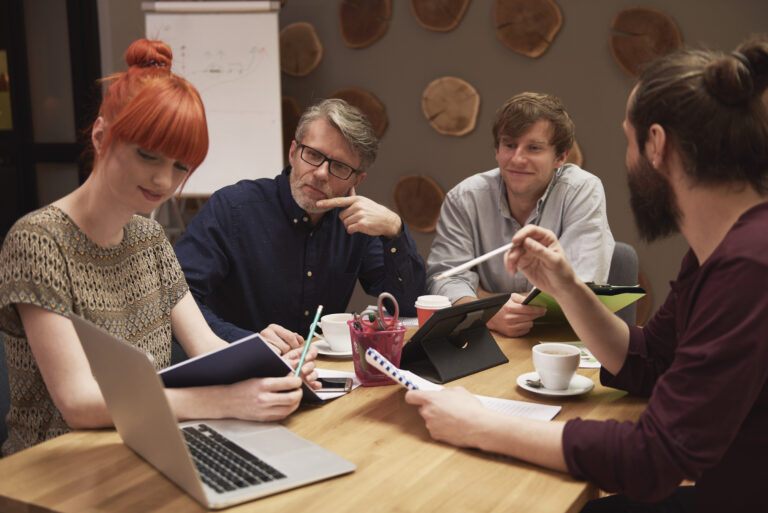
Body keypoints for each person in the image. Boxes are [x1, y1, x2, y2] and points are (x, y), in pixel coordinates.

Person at [406, 37, 768, 512]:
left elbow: (654, 456)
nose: (627, 158)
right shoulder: (720, 251)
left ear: (656, 144)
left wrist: (482, 425)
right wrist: (567, 286)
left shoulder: (748, 267)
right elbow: (651, 361)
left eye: (627, 140)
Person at [0, 39, 318, 456]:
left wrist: (271, 369)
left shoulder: (149, 240)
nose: (164, 182)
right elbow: (78, 403)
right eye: (148, 156)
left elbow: (206, 348)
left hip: (145, 445)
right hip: (55, 466)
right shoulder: (38, 241)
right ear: (101, 136)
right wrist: (222, 401)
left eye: (180, 165)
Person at [174, 98, 426, 343]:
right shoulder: (232, 208)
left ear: (356, 181)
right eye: (313, 155)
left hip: (320, 373)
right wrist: (247, 341)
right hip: (233, 367)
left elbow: (407, 305)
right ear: (294, 152)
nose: (320, 173)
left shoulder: (357, 221)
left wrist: (394, 230)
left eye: (339, 167)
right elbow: (175, 299)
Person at [426, 92, 614, 337]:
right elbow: (443, 280)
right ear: (496, 149)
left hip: (562, 339)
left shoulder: (582, 191)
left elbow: (579, 289)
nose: (517, 159)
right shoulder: (464, 198)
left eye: (534, 148)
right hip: (491, 340)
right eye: (510, 145)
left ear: (560, 157)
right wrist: (490, 314)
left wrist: (482, 299)